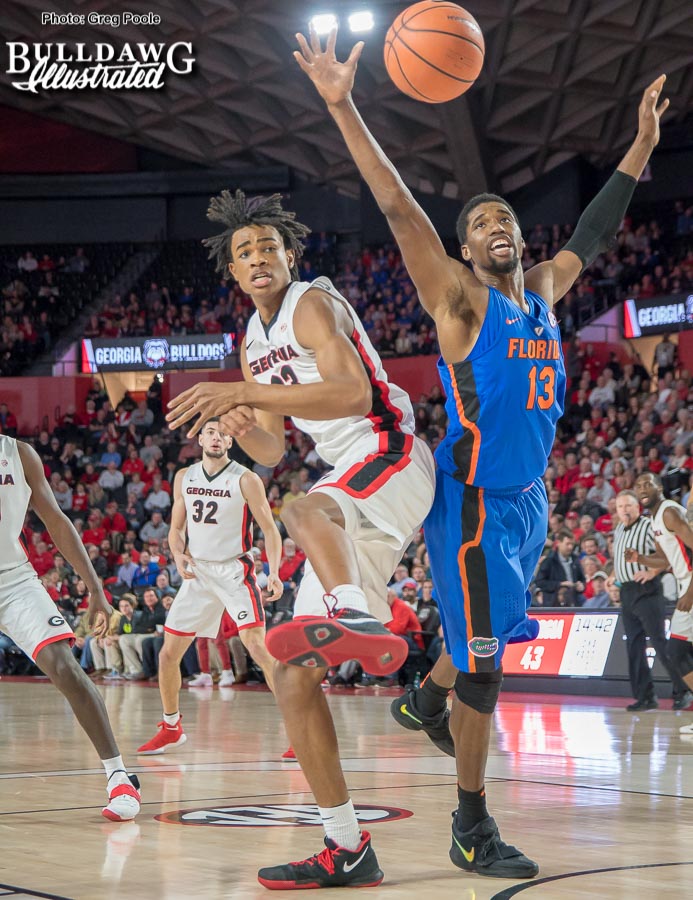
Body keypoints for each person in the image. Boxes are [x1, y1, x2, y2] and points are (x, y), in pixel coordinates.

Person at [293, 23, 668, 882]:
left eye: (505, 217)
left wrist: (642, 143)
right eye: (480, 223)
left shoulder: (540, 292)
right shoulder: (459, 302)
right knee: (487, 674)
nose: (496, 225)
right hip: (470, 503)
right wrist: (344, 106)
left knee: (485, 641)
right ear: (464, 250)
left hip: (528, 500)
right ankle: (470, 827)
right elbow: (400, 210)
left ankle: (423, 699)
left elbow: (596, 232)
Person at [166, 196, 436, 885]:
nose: (258, 257)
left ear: (290, 255)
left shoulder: (311, 304)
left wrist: (243, 389)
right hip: (351, 488)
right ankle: (347, 846)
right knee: (289, 677)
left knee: (301, 509)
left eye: (268, 247)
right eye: (244, 252)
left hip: (390, 451)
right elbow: (273, 447)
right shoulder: (252, 340)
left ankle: (357, 616)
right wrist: (237, 416)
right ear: (232, 272)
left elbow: (352, 395)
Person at [0, 434, 140, 820]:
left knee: (64, 665)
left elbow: (56, 520)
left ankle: (119, 777)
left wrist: (95, 588)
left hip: (12, 579)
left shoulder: (18, 453)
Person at [137, 418, 284, 755]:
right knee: (168, 654)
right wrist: (177, 554)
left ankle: (300, 726)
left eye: (223, 434)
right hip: (199, 572)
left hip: (234, 570)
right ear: (200, 439)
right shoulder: (184, 477)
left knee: (257, 646)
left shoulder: (246, 479)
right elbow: (176, 529)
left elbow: (270, 529)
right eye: (211, 433)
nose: (217, 438)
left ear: (231, 442)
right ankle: (171, 727)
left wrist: (274, 572)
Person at [612, 489, 689, 711]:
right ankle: (645, 696)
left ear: (638, 507)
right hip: (627, 591)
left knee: (659, 642)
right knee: (634, 645)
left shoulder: (648, 526)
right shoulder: (619, 529)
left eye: (628, 505)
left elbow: (667, 555)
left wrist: (652, 572)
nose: (624, 510)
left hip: (647, 590)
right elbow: (620, 559)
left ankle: (683, 690)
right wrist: (613, 576)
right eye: (620, 506)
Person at [628, 474, 693, 731]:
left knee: (677, 651)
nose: (643, 489)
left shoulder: (669, 513)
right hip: (685, 584)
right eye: (638, 486)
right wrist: (640, 558)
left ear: (660, 487)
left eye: (648, 484)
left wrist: (690, 591)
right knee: (680, 651)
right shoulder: (656, 518)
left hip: (690, 585)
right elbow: (665, 559)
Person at [535, 531, 586, 607]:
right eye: (567, 544)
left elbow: (582, 579)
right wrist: (560, 584)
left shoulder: (575, 560)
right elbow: (540, 582)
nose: (570, 547)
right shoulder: (549, 561)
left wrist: (581, 585)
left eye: (572, 544)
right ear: (558, 543)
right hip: (553, 605)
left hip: (573, 603)